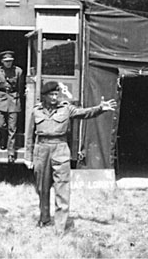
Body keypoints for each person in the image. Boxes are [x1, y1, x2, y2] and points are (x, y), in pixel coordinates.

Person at [24, 81, 117, 232]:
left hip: (60, 149)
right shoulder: (36, 111)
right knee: (42, 188)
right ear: (44, 96)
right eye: (51, 95)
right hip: (41, 150)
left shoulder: (66, 108)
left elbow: (84, 113)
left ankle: (60, 226)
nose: (54, 97)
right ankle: (45, 218)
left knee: (62, 189)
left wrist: (100, 108)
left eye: (56, 94)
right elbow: (29, 136)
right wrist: (28, 157)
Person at [0, 50, 24, 163]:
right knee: (0, 124)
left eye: (10, 61)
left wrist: (16, 96)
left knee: (12, 128)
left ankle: (11, 153)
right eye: (6, 61)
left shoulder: (18, 71)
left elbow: (20, 86)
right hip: (0, 99)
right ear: (2, 62)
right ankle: (3, 138)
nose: (8, 63)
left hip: (13, 99)